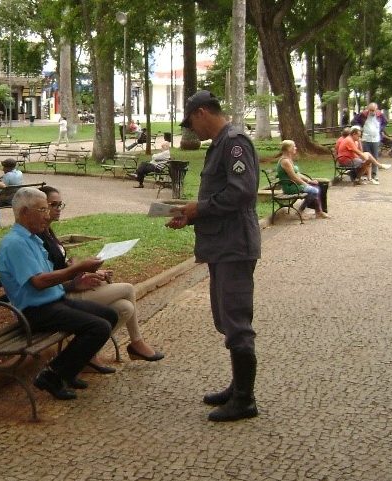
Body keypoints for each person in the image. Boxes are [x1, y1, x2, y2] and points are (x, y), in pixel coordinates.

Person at [166, 90, 261, 423]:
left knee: (236, 321)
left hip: (234, 245)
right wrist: (190, 215)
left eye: (192, 121)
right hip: (223, 245)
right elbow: (222, 194)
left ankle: (245, 400)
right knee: (225, 317)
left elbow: (242, 190)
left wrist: (199, 208)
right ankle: (238, 387)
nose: (193, 129)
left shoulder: (234, 142)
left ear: (202, 112)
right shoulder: (220, 144)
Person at [0, 187, 118, 400]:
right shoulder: (16, 243)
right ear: (24, 212)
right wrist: (77, 269)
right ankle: (52, 376)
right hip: (34, 311)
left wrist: (74, 281)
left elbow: (49, 276)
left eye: (47, 209)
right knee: (99, 327)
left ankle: (67, 371)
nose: (47, 215)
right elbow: (38, 282)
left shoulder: (32, 238)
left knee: (109, 315)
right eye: (42, 210)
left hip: (54, 301)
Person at [38, 185, 164, 373]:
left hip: (69, 289)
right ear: (40, 206)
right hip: (62, 297)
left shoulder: (49, 232)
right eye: (52, 204)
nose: (57, 208)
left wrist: (87, 272)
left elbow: (60, 267)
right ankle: (136, 343)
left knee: (125, 308)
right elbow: (44, 280)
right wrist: (76, 281)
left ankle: (87, 353)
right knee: (128, 289)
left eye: (60, 204)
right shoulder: (37, 237)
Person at [277, 140, 330, 219]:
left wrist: (309, 181)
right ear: (288, 149)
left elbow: (298, 174)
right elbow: (294, 177)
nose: (296, 148)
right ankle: (301, 211)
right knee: (314, 190)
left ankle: (319, 212)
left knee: (318, 186)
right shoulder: (285, 161)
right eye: (294, 146)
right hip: (290, 186)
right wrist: (306, 184)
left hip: (294, 184)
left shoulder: (288, 159)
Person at [352, 102, 387, 182]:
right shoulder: (363, 114)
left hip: (376, 139)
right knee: (366, 157)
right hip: (366, 138)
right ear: (368, 109)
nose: (372, 112)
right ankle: (366, 174)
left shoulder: (379, 115)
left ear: (376, 109)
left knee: (375, 156)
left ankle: (374, 174)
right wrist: (360, 128)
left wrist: (381, 129)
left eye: (373, 110)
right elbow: (354, 121)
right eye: (370, 110)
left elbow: (385, 122)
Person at [0, 158, 23, 227]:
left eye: (4, 167)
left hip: (8, 199)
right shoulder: (19, 173)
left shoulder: (8, 175)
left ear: (8, 168)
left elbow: (2, 188)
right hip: (17, 197)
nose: (3, 169)